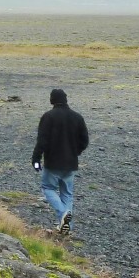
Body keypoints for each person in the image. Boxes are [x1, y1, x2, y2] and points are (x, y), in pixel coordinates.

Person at [31, 88, 89, 235]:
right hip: (71, 163)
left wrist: (36, 159)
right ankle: (66, 227)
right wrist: (76, 152)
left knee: (48, 188)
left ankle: (63, 213)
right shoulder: (77, 117)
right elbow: (84, 141)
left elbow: (42, 141)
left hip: (53, 162)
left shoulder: (48, 117)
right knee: (67, 194)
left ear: (52, 100)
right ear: (65, 99)